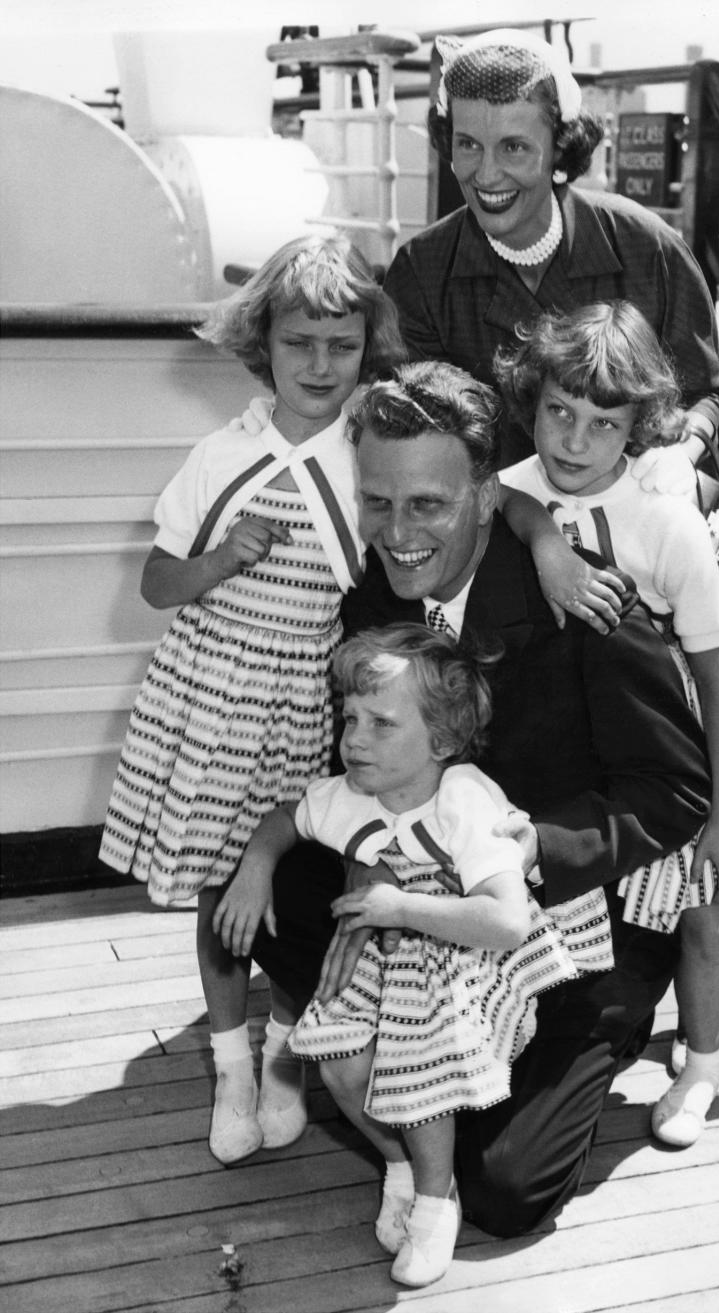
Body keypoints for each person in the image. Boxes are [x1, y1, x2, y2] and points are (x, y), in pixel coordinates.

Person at [248, 357, 713, 1239]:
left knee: (499, 1189)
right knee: (269, 893)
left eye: (427, 504)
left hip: (561, 926)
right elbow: (353, 774)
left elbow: (676, 786)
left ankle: (587, 1042)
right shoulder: (374, 600)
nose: (397, 532)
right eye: (378, 502)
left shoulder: (585, 600)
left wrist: (540, 843)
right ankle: (393, 1053)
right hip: (426, 906)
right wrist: (361, 875)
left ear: (489, 495)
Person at [495, 300, 719, 1148]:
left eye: (602, 423)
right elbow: (505, 498)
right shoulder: (521, 486)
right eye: (558, 413)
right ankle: (703, 1057)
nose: (573, 442)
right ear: (534, 404)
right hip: (651, 724)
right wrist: (544, 537)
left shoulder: (667, 520)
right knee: (701, 907)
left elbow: (717, 672)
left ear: (638, 428)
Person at [98, 232, 408, 1165]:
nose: (320, 365)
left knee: (300, 886)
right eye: (298, 342)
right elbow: (156, 584)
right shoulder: (221, 453)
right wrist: (224, 557)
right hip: (211, 701)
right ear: (261, 344)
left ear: (366, 347)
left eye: (342, 345)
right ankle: (232, 1064)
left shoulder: (370, 453)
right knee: (218, 890)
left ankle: (286, 1057)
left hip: (307, 705)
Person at [224, 624, 613, 1286]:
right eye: (349, 716)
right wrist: (258, 860)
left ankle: (437, 1199)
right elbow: (289, 814)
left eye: (381, 722)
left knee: (417, 1055)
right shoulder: (349, 793)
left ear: (442, 740)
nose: (354, 738)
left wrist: (401, 909)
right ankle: (399, 1161)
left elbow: (505, 918)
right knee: (342, 1061)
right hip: (386, 940)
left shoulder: (463, 797)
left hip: (466, 945)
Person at [382, 27, 719, 469]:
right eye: (468, 145)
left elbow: (704, 391)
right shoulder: (421, 272)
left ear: (560, 148)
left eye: (514, 147)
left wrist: (681, 458)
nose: (486, 175)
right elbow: (418, 433)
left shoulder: (649, 247)